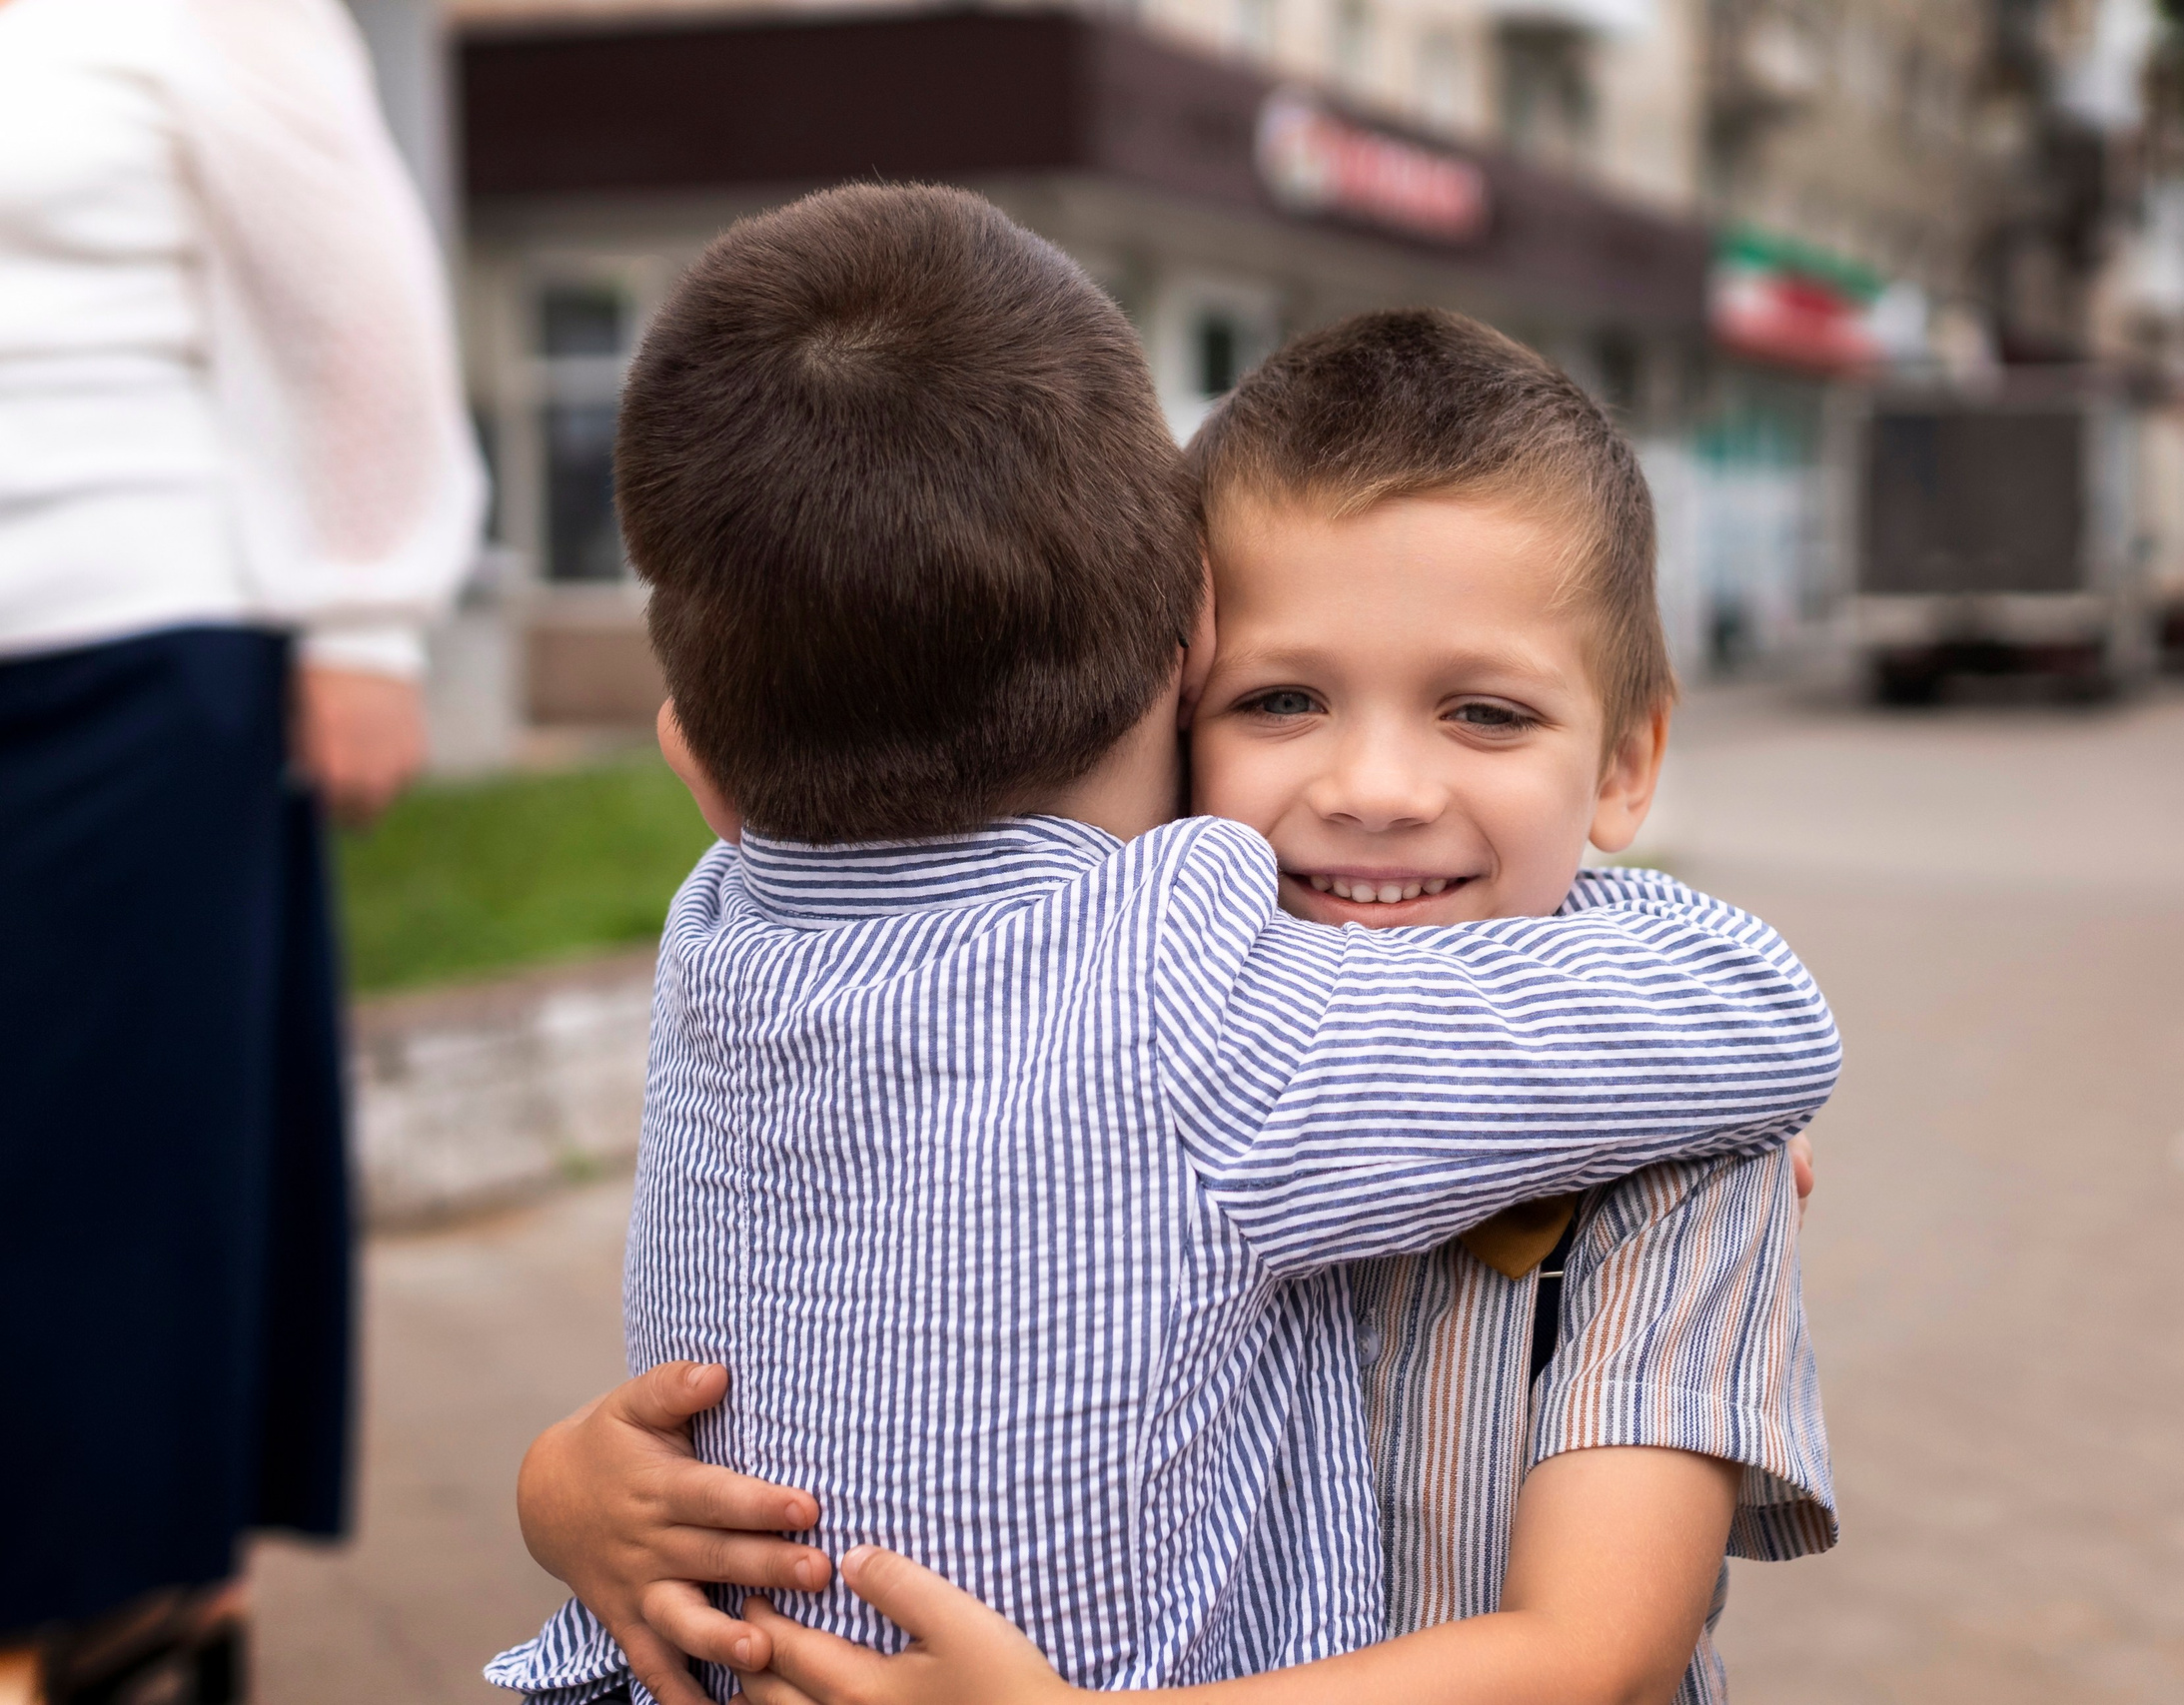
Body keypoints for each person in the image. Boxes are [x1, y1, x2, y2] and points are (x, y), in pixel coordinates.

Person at [484, 189, 1838, 1705]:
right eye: (1279, 701)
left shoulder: (719, 927)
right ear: (1177, 675)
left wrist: (1689, 1103)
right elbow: (1750, 1004)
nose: (1372, 792)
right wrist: (563, 1485)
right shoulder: (1197, 989)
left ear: (701, 777)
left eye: (1485, 711)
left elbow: (1601, 1649)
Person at [0, 0, 483, 1700]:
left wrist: (367, 617)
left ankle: (128, 1615)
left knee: (109, 1177)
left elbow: (354, 297)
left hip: (132, 655)